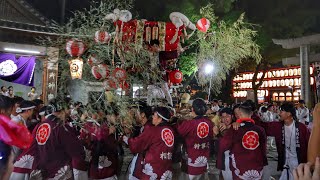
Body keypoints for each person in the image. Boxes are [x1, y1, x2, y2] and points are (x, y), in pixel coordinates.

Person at [10, 98, 88, 179]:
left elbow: (32, 147)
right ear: (62, 111)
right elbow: (76, 150)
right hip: (58, 170)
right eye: (67, 109)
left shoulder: (39, 125)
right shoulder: (62, 127)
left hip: (42, 169)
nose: (68, 112)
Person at [252, 102, 310, 180]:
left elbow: (310, 145)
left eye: (281, 111)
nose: (279, 113)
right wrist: (251, 114)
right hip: (285, 163)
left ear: (289, 113)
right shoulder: (278, 126)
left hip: (299, 163)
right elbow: (263, 126)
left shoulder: (302, 128)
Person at [217, 102, 267, 180]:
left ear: (239, 114)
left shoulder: (234, 129)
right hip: (257, 168)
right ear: (251, 114)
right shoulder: (260, 130)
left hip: (240, 169)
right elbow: (263, 149)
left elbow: (223, 145)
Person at [123, 106, 175, 179]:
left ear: (160, 118)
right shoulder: (171, 130)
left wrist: (127, 140)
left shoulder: (153, 130)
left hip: (154, 169)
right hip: (166, 169)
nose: (152, 117)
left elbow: (138, 143)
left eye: (154, 115)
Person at [177, 98, 214, 179]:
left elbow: (179, 133)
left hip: (190, 159)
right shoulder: (210, 122)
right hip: (204, 158)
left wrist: (181, 120)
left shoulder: (189, 123)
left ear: (192, 109)